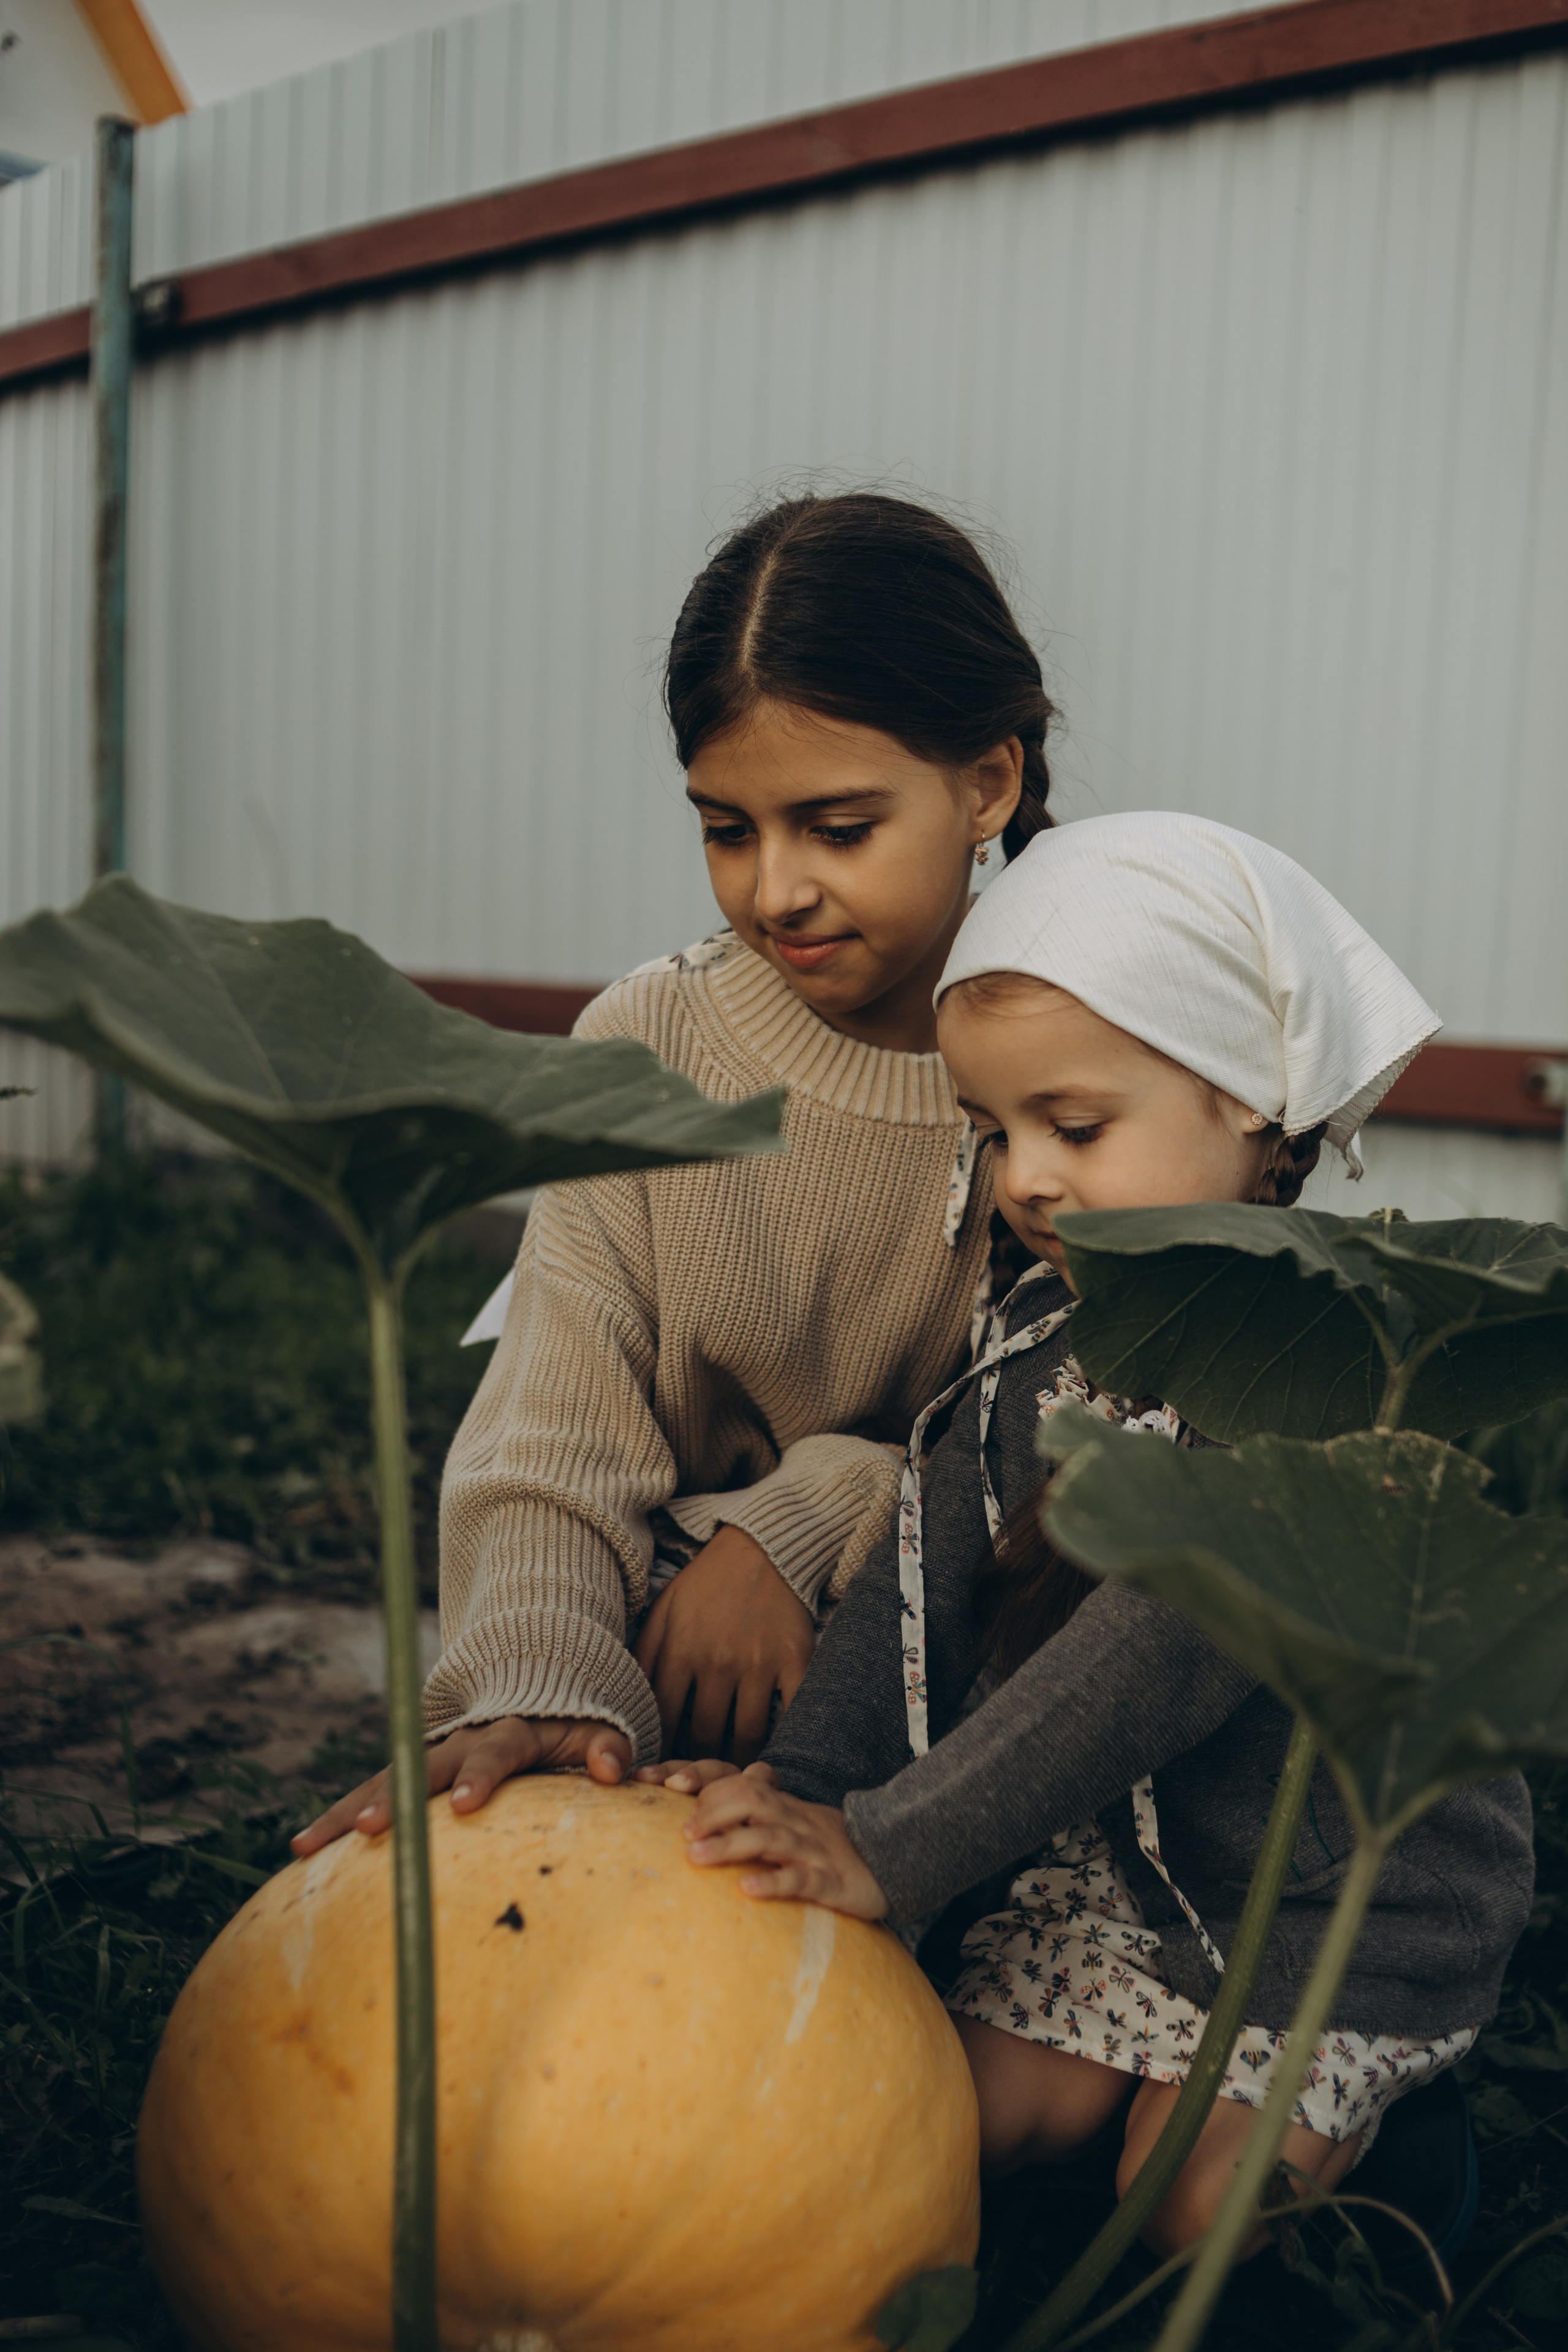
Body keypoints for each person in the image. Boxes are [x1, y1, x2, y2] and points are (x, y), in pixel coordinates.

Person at [649, 812, 1534, 2257]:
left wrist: (884, 1844)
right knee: (931, 2123)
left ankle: (1409, 2159)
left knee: (1184, 2203)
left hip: (1326, 1912)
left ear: (1255, 1109)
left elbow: (1142, 1663)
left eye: (1073, 1127)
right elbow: (910, 1589)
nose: (1023, 1178)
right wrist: (802, 1785)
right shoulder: (1032, 1336)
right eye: (993, 1133)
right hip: (1126, 1876)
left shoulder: (1322, 1381)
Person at [295, 491, 1055, 1857]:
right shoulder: (648, 1044)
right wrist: (543, 1690)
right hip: (657, 1625)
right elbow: (552, 1428)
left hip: (944, 1656)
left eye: (835, 827)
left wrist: (806, 1514)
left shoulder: (1076, 1070)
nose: (774, 892)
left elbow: (1065, 1439)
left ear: (985, 784)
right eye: (726, 829)